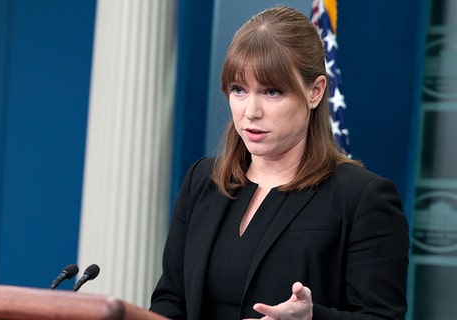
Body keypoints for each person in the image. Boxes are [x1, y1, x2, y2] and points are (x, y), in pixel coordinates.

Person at [149, 5, 409, 320]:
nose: (251, 111)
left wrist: (312, 318)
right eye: (239, 90)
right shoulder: (202, 181)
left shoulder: (363, 198)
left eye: (272, 92)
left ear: (315, 92)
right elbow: (170, 301)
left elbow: (382, 317)